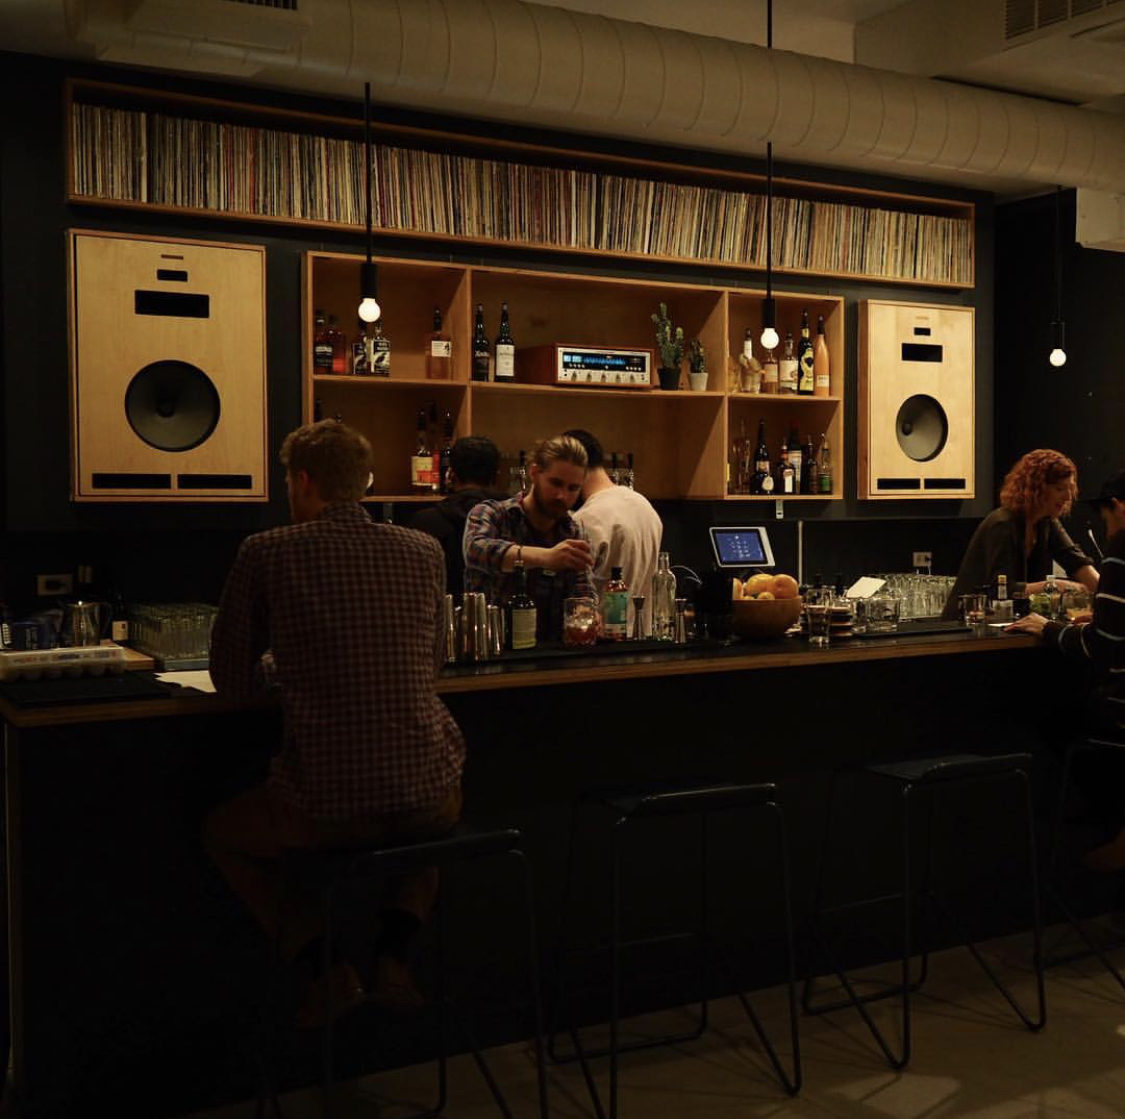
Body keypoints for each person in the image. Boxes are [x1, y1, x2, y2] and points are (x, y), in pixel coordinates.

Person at [203, 420, 465, 1023]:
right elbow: (432, 662)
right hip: (427, 795)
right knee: (434, 808)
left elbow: (231, 680)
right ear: (366, 482)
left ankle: (324, 970)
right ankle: (394, 957)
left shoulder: (265, 551)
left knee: (224, 835)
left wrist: (284, 666)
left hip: (323, 808)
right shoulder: (423, 551)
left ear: (303, 481)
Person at [1008, 469, 1125, 871]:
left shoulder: (1122, 546)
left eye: (1106, 517)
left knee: (1052, 722)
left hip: (1120, 714)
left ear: (1118, 508)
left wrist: (1051, 629)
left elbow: (1101, 646)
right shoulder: (1005, 525)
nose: (1105, 526)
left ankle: (1064, 854)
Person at [941, 448, 1098, 620]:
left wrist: (1112, 596)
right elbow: (1001, 589)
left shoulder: (1046, 523)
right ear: (1036, 488)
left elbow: (1076, 562)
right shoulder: (1003, 524)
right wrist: (1054, 586)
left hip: (1001, 623)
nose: (1068, 497)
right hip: (965, 622)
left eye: (1070, 489)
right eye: (1060, 488)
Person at [463, 434, 594, 639]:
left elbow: (582, 592)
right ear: (534, 473)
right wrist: (546, 557)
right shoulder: (492, 514)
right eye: (556, 483)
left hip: (549, 655)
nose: (563, 496)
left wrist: (588, 616)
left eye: (573, 488)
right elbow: (476, 551)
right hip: (493, 649)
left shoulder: (573, 531)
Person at [564, 428, 663, 637]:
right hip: (643, 637)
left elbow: (574, 592)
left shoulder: (587, 518)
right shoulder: (645, 506)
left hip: (601, 641)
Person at [410, 435, 505, 599]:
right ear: (496, 475)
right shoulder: (514, 516)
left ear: (450, 475)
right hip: (508, 618)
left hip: (444, 618)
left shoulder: (424, 522)